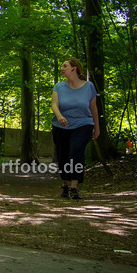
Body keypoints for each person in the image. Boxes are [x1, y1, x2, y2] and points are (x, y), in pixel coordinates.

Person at [51, 57, 100, 200]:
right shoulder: (59, 86)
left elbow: (93, 108)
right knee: (63, 155)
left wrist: (97, 128)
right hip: (60, 126)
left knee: (76, 151)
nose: (62, 68)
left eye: (64, 66)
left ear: (74, 68)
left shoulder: (89, 87)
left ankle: (74, 187)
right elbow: (54, 104)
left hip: (83, 125)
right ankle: (65, 185)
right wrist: (59, 116)